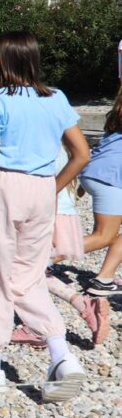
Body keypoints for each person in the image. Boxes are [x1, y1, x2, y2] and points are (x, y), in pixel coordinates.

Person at [0, 32, 90, 401]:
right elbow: (81, 154)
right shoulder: (56, 98)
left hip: (4, 186)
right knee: (29, 273)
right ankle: (60, 353)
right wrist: (53, 187)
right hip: (43, 188)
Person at [17, 147, 109, 347]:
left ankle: (38, 326)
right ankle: (81, 304)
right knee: (32, 270)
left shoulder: (42, 144)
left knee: (21, 269)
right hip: (64, 213)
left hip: (47, 213)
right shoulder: (65, 144)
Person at [78, 85, 122, 298]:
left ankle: (104, 279)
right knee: (103, 236)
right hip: (110, 178)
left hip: (97, 174)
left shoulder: (116, 118)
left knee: (106, 233)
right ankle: (41, 260)